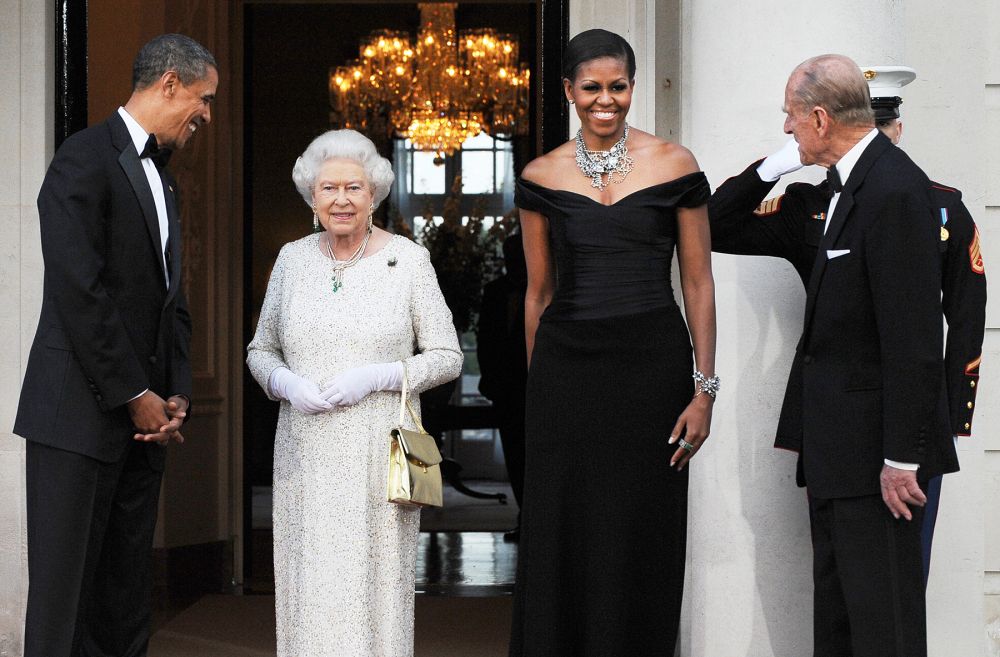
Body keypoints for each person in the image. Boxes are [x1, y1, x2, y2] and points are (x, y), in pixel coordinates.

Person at [709, 64, 986, 587]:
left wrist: (941, 420)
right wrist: (779, 164)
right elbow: (710, 225)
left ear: (897, 130)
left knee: (897, 588)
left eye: (885, 126)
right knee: (843, 590)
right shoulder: (810, 206)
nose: (875, 139)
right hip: (837, 428)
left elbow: (963, 320)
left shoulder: (941, 207)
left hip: (906, 430)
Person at [508, 29, 717, 656]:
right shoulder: (540, 174)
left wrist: (704, 390)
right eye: (593, 88)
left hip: (653, 367)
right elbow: (537, 295)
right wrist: (538, 389)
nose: (607, 100)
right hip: (566, 371)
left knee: (642, 526)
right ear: (570, 91)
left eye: (619, 87)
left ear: (633, 87)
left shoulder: (675, 163)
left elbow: (699, 282)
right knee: (563, 528)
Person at [13, 34, 216, 657]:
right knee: (63, 599)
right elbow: (81, 292)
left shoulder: (168, 181)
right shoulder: (82, 157)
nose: (206, 114)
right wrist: (135, 393)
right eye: (204, 99)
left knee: (126, 597)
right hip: (76, 419)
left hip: (144, 429)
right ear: (171, 84)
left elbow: (169, 303)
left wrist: (175, 392)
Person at [765, 54, 958, 657]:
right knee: (843, 627)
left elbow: (915, 338)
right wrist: (774, 168)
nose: (788, 130)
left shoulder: (894, 189)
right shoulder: (856, 182)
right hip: (840, 458)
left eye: (791, 118)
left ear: (820, 118)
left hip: (880, 468)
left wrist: (902, 458)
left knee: (884, 630)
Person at [246, 129, 462, 657]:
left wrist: (379, 376)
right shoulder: (293, 260)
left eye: (354, 188)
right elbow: (260, 350)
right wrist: (285, 382)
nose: (341, 199)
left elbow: (448, 355)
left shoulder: (409, 261)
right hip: (305, 450)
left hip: (378, 453)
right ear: (311, 197)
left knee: (375, 584)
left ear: (374, 195)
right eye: (329, 189)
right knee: (309, 579)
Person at [476, 232, 528, 541]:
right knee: (514, 455)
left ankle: (537, 519)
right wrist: (489, 381)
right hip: (505, 389)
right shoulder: (495, 292)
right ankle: (524, 515)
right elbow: (485, 341)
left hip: (536, 387)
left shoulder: (548, 287)